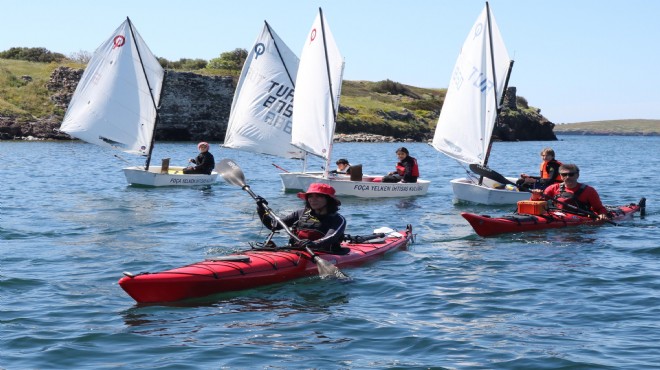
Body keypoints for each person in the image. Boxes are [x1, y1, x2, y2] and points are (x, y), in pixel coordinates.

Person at [256, 183, 347, 254]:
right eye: (310, 196)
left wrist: (314, 243)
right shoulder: (300, 213)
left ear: (328, 200)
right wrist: (261, 209)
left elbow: (331, 237)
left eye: (319, 196)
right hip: (296, 251)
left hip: (326, 253)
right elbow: (273, 225)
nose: (313, 200)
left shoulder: (338, 219)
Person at [531, 163, 610, 220]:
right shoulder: (552, 188)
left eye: (571, 174)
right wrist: (535, 196)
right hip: (557, 217)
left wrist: (602, 215)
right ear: (561, 176)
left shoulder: (589, 190)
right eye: (564, 175)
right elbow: (536, 205)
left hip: (580, 220)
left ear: (577, 175)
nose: (568, 177)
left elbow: (599, 208)